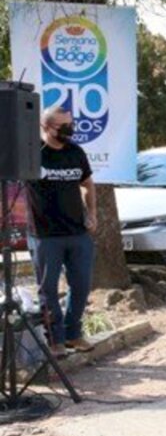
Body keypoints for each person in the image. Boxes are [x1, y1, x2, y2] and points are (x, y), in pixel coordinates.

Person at [25, 105, 97, 356]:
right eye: (63, 126)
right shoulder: (32, 154)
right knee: (48, 289)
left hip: (78, 233)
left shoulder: (76, 152)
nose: (69, 130)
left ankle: (73, 334)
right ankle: (55, 340)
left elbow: (87, 184)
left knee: (82, 285)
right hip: (45, 235)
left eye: (71, 124)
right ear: (46, 126)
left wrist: (92, 214)